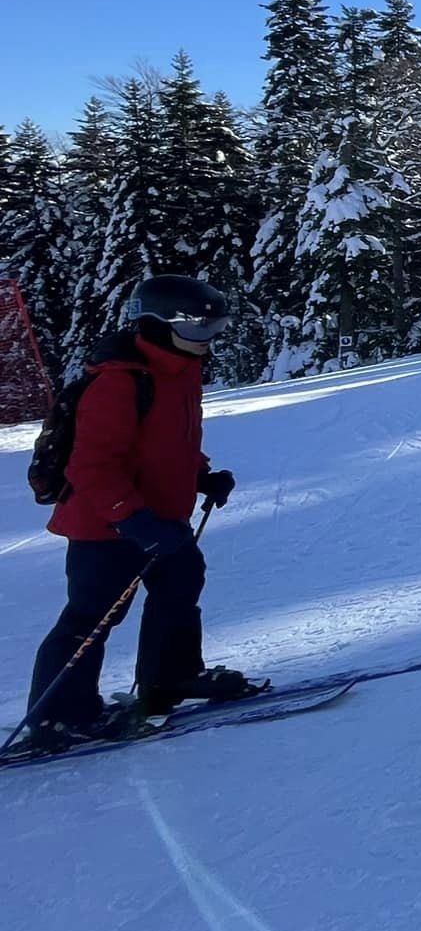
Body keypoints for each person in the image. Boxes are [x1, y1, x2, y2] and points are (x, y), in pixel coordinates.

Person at [18, 275, 248, 751]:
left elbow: (168, 442)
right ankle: (59, 715)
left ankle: (170, 678)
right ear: (158, 325)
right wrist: (132, 519)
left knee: (181, 584)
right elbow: (91, 466)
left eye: (216, 329)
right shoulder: (119, 382)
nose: (208, 341)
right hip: (105, 525)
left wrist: (201, 475)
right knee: (92, 615)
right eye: (199, 329)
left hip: (160, 518)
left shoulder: (181, 369)